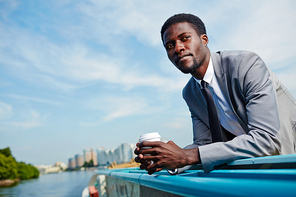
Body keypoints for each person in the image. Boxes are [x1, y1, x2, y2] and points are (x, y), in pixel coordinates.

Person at [134, 13, 296, 174]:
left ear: (204, 40)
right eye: (169, 46)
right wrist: (167, 159)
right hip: (253, 169)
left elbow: (266, 139)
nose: (177, 48)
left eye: (185, 38)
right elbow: (204, 143)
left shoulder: (246, 64)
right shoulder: (190, 93)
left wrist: (186, 156)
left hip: (288, 158)